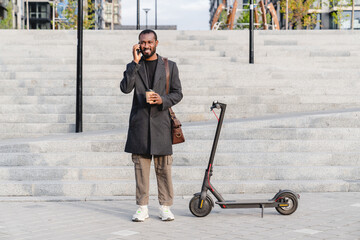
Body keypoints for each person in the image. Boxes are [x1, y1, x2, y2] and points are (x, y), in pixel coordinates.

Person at [120, 29, 183, 222]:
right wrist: (134, 63)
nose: (146, 46)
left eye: (149, 42)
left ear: (156, 43)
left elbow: (177, 93)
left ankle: (165, 206)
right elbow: (125, 88)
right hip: (139, 125)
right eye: (142, 43)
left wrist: (161, 100)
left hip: (161, 124)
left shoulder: (169, 66)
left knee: (164, 168)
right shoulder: (133, 66)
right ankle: (142, 207)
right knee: (141, 168)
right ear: (138, 44)